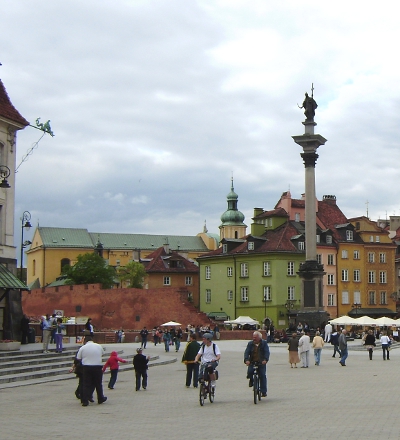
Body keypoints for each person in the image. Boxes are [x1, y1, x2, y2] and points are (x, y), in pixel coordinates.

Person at [76, 336, 107, 406]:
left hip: (86, 367)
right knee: (98, 383)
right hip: (97, 366)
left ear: (85, 341)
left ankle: (85, 401)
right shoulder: (98, 346)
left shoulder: (83, 348)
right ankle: (100, 398)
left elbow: (78, 358)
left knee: (86, 384)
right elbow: (102, 353)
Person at [244, 331, 269, 397]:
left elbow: (267, 352)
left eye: (255, 337)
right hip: (252, 361)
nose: (254, 339)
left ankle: (263, 391)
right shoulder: (250, 344)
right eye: (253, 337)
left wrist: (265, 360)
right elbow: (246, 352)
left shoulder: (264, 343)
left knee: (262, 375)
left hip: (261, 362)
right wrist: (246, 360)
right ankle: (252, 380)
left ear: (259, 338)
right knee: (250, 372)